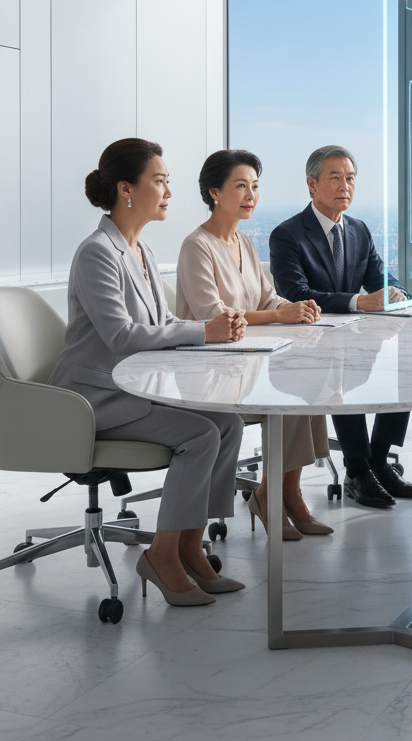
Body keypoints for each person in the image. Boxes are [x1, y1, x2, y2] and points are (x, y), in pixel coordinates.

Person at [48, 139, 247, 606]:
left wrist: (212, 329)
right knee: (199, 436)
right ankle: (162, 556)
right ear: (126, 189)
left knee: (227, 423)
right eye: (159, 181)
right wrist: (203, 333)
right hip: (96, 394)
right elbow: (122, 335)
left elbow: (159, 325)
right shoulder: (98, 252)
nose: (168, 192)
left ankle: (190, 548)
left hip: (133, 385)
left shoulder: (140, 250)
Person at [175, 148, 332, 541]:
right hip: (210, 367)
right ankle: (273, 495)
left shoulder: (245, 241)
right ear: (214, 192)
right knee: (292, 392)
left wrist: (292, 307)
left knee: (307, 381)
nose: (251, 195)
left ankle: (284, 493)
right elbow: (215, 316)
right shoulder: (197, 246)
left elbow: (265, 300)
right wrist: (279, 316)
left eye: (255, 187)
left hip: (249, 360)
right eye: (240, 186)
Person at [269, 145, 412, 509]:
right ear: (312, 184)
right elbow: (296, 293)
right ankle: (357, 471)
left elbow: (378, 278)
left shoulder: (358, 230)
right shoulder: (288, 234)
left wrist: (394, 293)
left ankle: (378, 460)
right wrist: (359, 302)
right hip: (306, 346)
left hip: (355, 338)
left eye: (351, 178)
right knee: (341, 367)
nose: (345, 186)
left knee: (406, 368)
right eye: (335, 177)